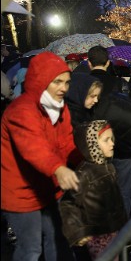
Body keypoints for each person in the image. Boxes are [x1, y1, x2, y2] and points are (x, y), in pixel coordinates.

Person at [1, 51, 81, 260]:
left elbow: (66, 142)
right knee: (31, 249)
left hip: (48, 187)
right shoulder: (22, 109)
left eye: (66, 82)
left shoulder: (60, 108)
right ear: (41, 80)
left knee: (58, 239)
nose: (63, 88)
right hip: (20, 193)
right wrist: (58, 168)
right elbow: (33, 147)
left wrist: (86, 159)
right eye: (57, 82)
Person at [59, 120, 128, 260]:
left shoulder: (109, 167)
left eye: (112, 139)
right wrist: (77, 233)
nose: (112, 144)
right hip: (97, 235)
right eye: (106, 140)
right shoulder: (85, 173)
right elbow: (68, 203)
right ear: (92, 145)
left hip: (113, 230)